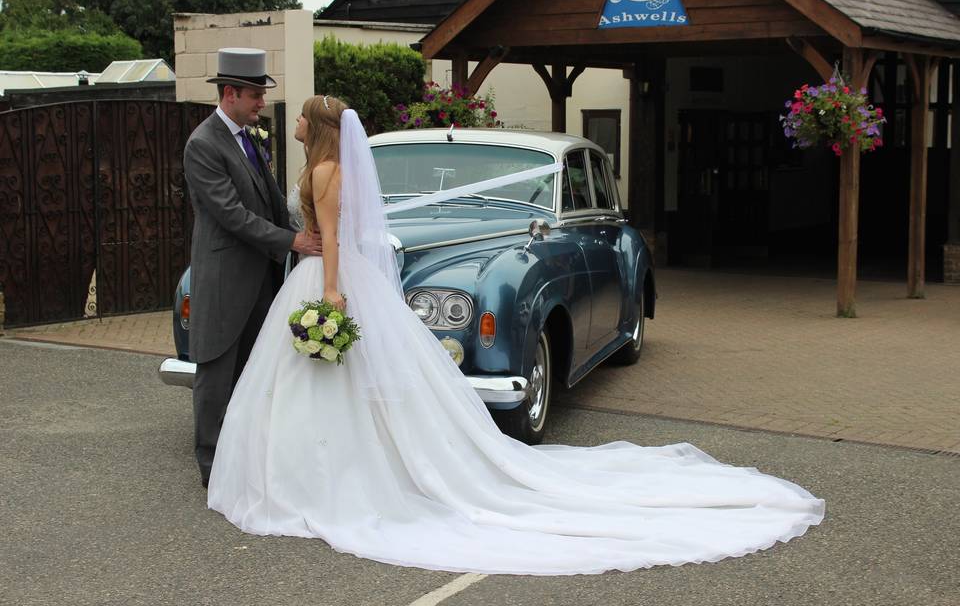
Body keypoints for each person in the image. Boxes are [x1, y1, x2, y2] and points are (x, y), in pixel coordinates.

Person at [207, 95, 824, 575]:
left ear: (313, 126)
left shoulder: (326, 172)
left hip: (330, 277)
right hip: (319, 271)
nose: (281, 115)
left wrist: (333, 291)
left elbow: (337, 237)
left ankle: (326, 475)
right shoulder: (324, 168)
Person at [183, 48, 323, 489]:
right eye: (255, 95)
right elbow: (231, 214)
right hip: (226, 278)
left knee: (253, 368)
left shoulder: (250, 137)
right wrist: (293, 241)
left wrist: (299, 237)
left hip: (263, 276)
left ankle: (244, 456)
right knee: (216, 369)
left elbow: (269, 200)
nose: (262, 103)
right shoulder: (203, 144)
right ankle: (211, 467)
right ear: (230, 94)